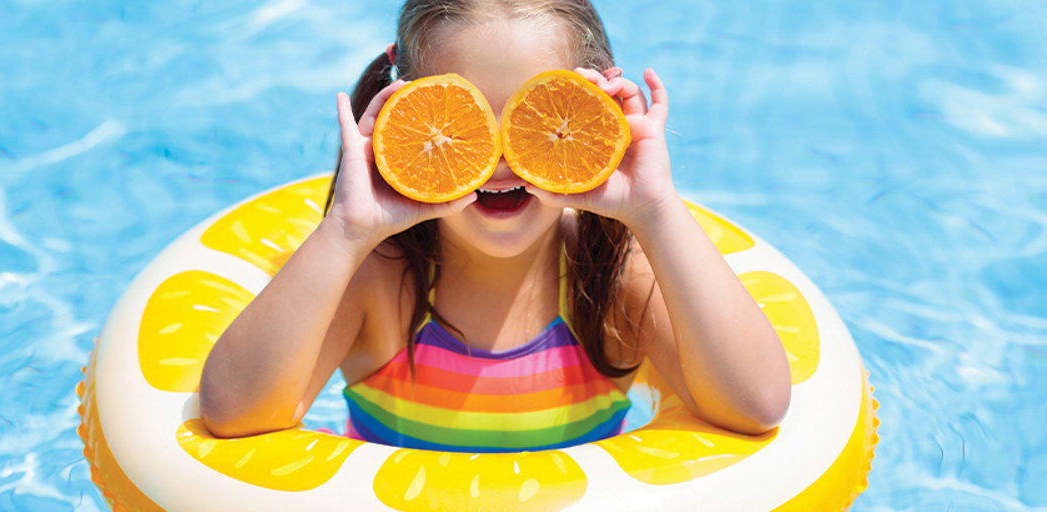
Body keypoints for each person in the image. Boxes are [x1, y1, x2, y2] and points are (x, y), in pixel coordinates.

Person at [198, 0, 791, 451]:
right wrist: (349, 229)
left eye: (537, 117)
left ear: (596, 113)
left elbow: (755, 406)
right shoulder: (378, 278)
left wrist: (655, 210)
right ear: (406, 108)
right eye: (465, 118)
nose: (499, 159)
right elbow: (236, 415)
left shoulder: (612, 278)